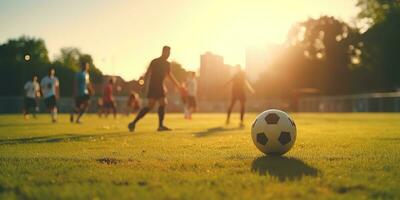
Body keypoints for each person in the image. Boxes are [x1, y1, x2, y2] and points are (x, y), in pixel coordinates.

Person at [128, 46, 181, 132]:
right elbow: (148, 73)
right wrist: (143, 84)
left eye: (169, 53)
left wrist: (177, 85)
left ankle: (133, 123)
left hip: (155, 86)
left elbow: (168, 75)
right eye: (168, 52)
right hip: (156, 86)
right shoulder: (156, 62)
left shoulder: (166, 63)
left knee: (151, 106)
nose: (168, 54)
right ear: (164, 52)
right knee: (161, 103)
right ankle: (160, 126)